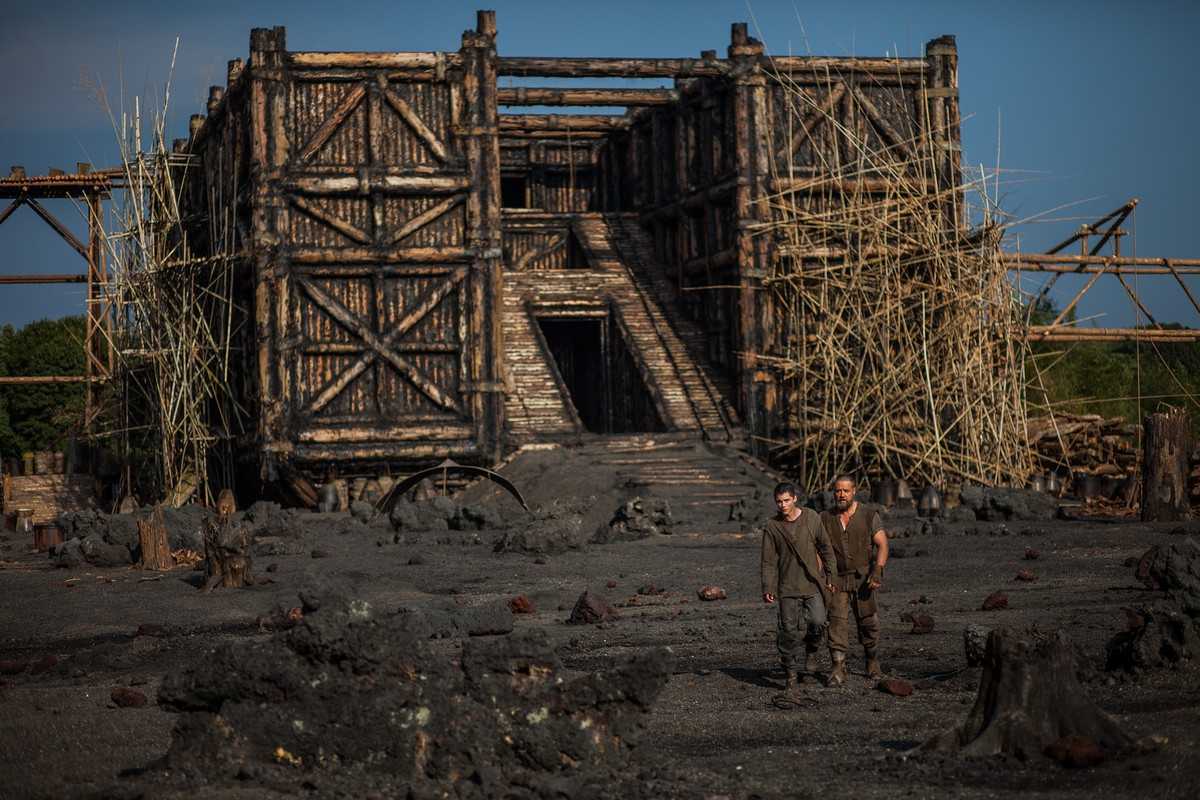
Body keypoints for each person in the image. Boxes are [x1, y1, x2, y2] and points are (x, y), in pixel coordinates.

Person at [761, 482, 836, 692]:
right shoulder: (772, 526)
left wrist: (831, 575)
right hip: (786, 588)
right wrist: (768, 587)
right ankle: (791, 673)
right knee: (788, 632)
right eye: (778, 501)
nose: (782, 505)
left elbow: (826, 547)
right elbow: (767, 560)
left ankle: (811, 652)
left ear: (794, 498)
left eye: (786, 500)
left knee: (818, 621)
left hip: (812, 584)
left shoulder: (812, 517)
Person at [820, 475, 889, 685]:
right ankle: (838, 667)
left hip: (863, 579)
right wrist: (820, 576)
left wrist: (877, 570)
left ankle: (872, 661)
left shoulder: (869, 515)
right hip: (837, 579)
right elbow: (820, 550)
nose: (841, 495)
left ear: (854, 491)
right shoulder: (825, 517)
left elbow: (883, 545)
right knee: (836, 622)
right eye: (837, 491)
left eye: (845, 491)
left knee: (868, 622)